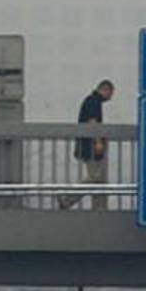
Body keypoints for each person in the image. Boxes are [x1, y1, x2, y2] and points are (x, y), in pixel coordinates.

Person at [60, 80, 114, 210]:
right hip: (91, 147)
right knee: (96, 177)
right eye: (110, 93)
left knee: (99, 180)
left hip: (89, 146)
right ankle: (67, 198)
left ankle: (99, 208)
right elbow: (93, 122)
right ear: (104, 90)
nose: (111, 97)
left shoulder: (91, 101)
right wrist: (98, 141)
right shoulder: (94, 101)